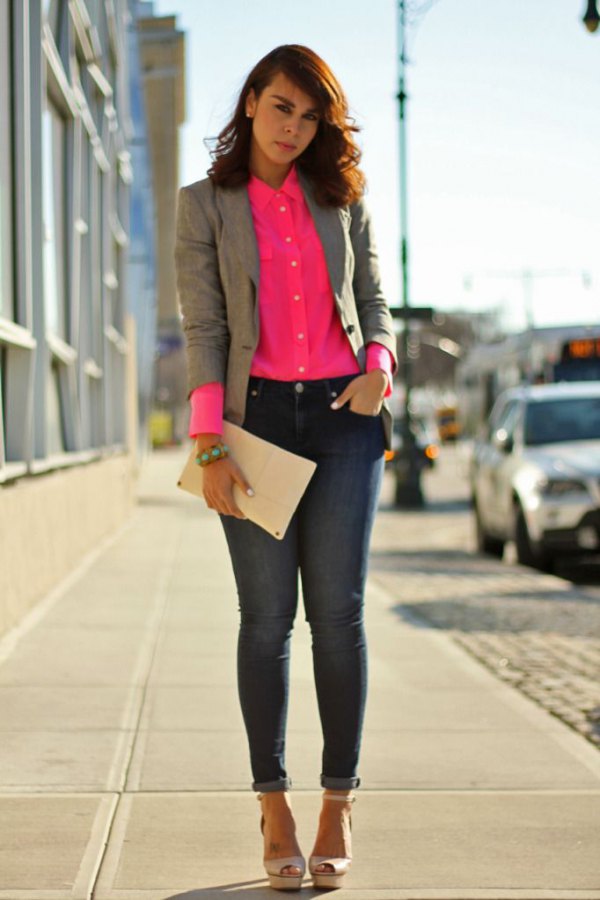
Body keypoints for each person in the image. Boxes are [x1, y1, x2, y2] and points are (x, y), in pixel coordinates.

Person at [175, 44, 397, 891]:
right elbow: (204, 329)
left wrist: (379, 363)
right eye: (281, 110)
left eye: (309, 117)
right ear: (251, 104)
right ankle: (274, 806)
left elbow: (372, 295)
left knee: (338, 615)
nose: (293, 129)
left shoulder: (343, 198)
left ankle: (339, 800)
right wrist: (208, 445)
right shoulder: (208, 206)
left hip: (345, 419)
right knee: (266, 621)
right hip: (255, 424)